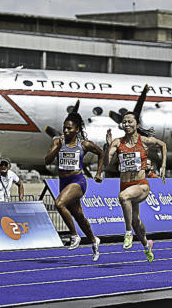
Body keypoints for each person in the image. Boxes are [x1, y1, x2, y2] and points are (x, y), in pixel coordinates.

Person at [105, 111, 167, 262]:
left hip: (141, 185)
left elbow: (163, 145)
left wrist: (163, 165)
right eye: (124, 122)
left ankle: (127, 234)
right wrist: (107, 146)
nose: (126, 125)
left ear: (137, 125)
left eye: (129, 122)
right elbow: (107, 163)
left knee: (123, 197)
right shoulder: (117, 143)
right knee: (136, 222)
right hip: (125, 184)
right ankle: (147, 245)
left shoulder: (144, 141)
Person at [45, 112, 105, 261]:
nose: (66, 131)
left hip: (78, 181)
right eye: (64, 128)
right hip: (63, 182)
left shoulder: (84, 144)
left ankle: (74, 235)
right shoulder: (58, 142)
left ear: (77, 130)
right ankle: (93, 240)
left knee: (59, 204)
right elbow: (47, 160)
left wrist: (98, 173)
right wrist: (57, 147)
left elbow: (101, 153)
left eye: (69, 129)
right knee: (79, 216)